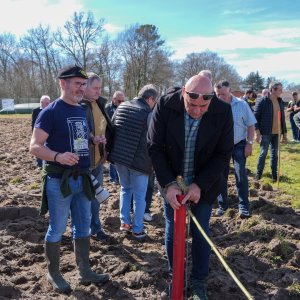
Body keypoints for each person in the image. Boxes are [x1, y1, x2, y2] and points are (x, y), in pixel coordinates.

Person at [148, 75, 234, 299]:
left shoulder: (223, 111)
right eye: (191, 104)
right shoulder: (165, 105)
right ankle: (173, 276)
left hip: (204, 182)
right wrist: (168, 184)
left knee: (200, 230)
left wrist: (199, 186)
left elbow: (223, 154)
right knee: (172, 227)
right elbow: (155, 147)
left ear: (211, 99)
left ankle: (197, 280)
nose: (196, 110)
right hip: (171, 182)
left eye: (203, 106)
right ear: (184, 92)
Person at [29, 65, 109, 293]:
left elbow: (81, 134)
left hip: (83, 179)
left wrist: (93, 140)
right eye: (77, 84)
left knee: (83, 226)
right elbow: (34, 146)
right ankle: (53, 273)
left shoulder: (81, 110)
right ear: (63, 84)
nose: (81, 89)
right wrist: (58, 156)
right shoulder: (51, 111)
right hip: (58, 180)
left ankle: (84, 270)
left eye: (83, 84)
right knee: (57, 228)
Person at [108, 85, 158, 238]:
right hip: (139, 160)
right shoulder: (148, 113)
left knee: (125, 189)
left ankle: (125, 223)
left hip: (120, 158)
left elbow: (112, 129)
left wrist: (111, 155)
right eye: (154, 101)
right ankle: (137, 229)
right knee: (139, 196)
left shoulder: (121, 107)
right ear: (150, 99)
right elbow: (153, 139)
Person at [214, 80, 256, 218]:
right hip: (221, 146)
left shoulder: (242, 105)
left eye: (223, 94)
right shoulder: (213, 105)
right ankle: (223, 205)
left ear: (230, 90)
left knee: (241, 175)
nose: (220, 97)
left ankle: (244, 206)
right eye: (217, 94)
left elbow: (251, 125)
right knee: (221, 177)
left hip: (239, 144)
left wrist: (249, 143)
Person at [80, 72, 113, 241]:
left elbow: (104, 128)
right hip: (83, 162)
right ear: (85, 86)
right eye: (95, 88)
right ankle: (80, 232)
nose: (99, 92)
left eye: (100, 88)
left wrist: (104, 149)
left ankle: (95, 228)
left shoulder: (100, 105)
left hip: (98, 159)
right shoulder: (79, 106)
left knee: (96, 197)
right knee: (82, 199)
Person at [254, 81, 287, 181]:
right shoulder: (262, 101)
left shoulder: (280, 101)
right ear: (273, 90)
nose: (281, 92)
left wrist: (284, 133)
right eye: (280, 90)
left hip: (277, 134)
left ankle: (274, 174)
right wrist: (257, 133)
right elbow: (255, 118)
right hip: (265, 133)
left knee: (275, 154)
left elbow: (283, 119)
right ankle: (258, 173)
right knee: (263, 153)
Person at [105, 91, 125, 185]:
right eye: (119, 101)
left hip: (119, 136)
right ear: (114, 99)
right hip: (109, 135)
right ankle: (112, 178)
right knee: (111, 156)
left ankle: (118, 177)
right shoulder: (106, 109)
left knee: (118, 157)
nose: (120, 103)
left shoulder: (124, 108)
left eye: (122, 101)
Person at [31, 95, 50, 169]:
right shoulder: (36, 111)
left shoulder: (50, 110)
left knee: (48, 147)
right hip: (39, 132)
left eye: (49, 103)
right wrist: (34, 133)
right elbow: (33, 123)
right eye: (46, 103)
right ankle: (39, 164)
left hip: (48, 132)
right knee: (38, 147)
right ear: (41, 102)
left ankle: (47, 163)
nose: (48, 104)